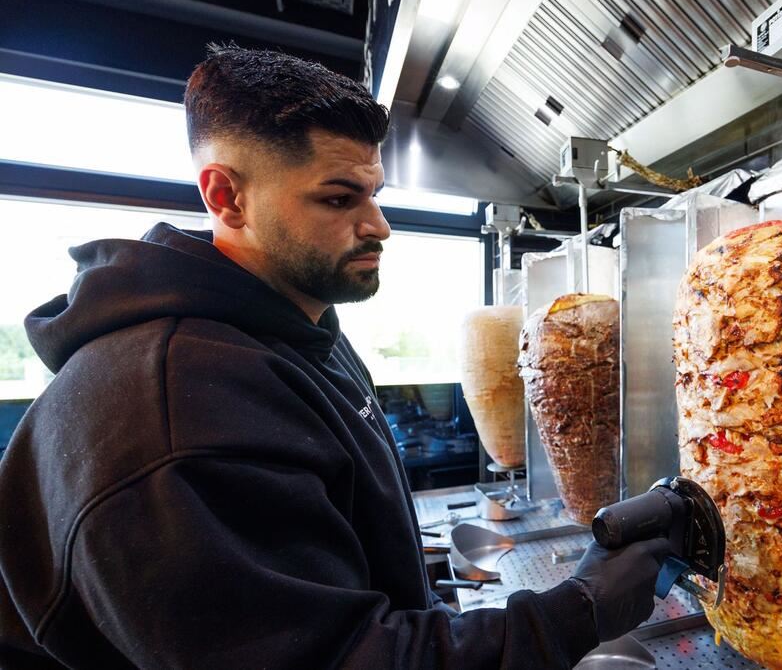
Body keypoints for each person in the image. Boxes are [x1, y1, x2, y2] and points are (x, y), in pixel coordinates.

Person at [0, 44, 669, 669]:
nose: (379, 223)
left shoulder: (301, 328)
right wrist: (577, 610)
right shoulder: (175, 410)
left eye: (374, 193)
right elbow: (333, 658)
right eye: (338, 198)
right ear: (225, 196)